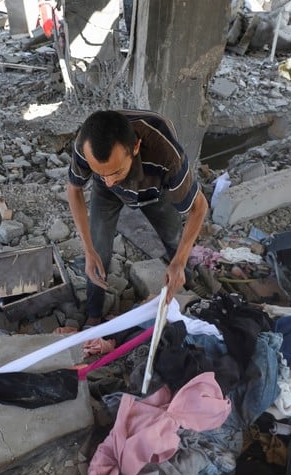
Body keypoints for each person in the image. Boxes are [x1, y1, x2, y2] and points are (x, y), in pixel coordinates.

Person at [66, 109, 209, 326]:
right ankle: (94, 315)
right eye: (100, 172)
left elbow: (199, 207)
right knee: (98, 251)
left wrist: (179, 261)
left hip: (155, 189)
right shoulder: (86, 145)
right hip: (106, 197)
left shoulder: (167, 155)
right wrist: (88, 250)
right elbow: (74, 189)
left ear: (135, 148)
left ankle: (186, 278)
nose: (110, 180)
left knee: (174, 239)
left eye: (115, 172)